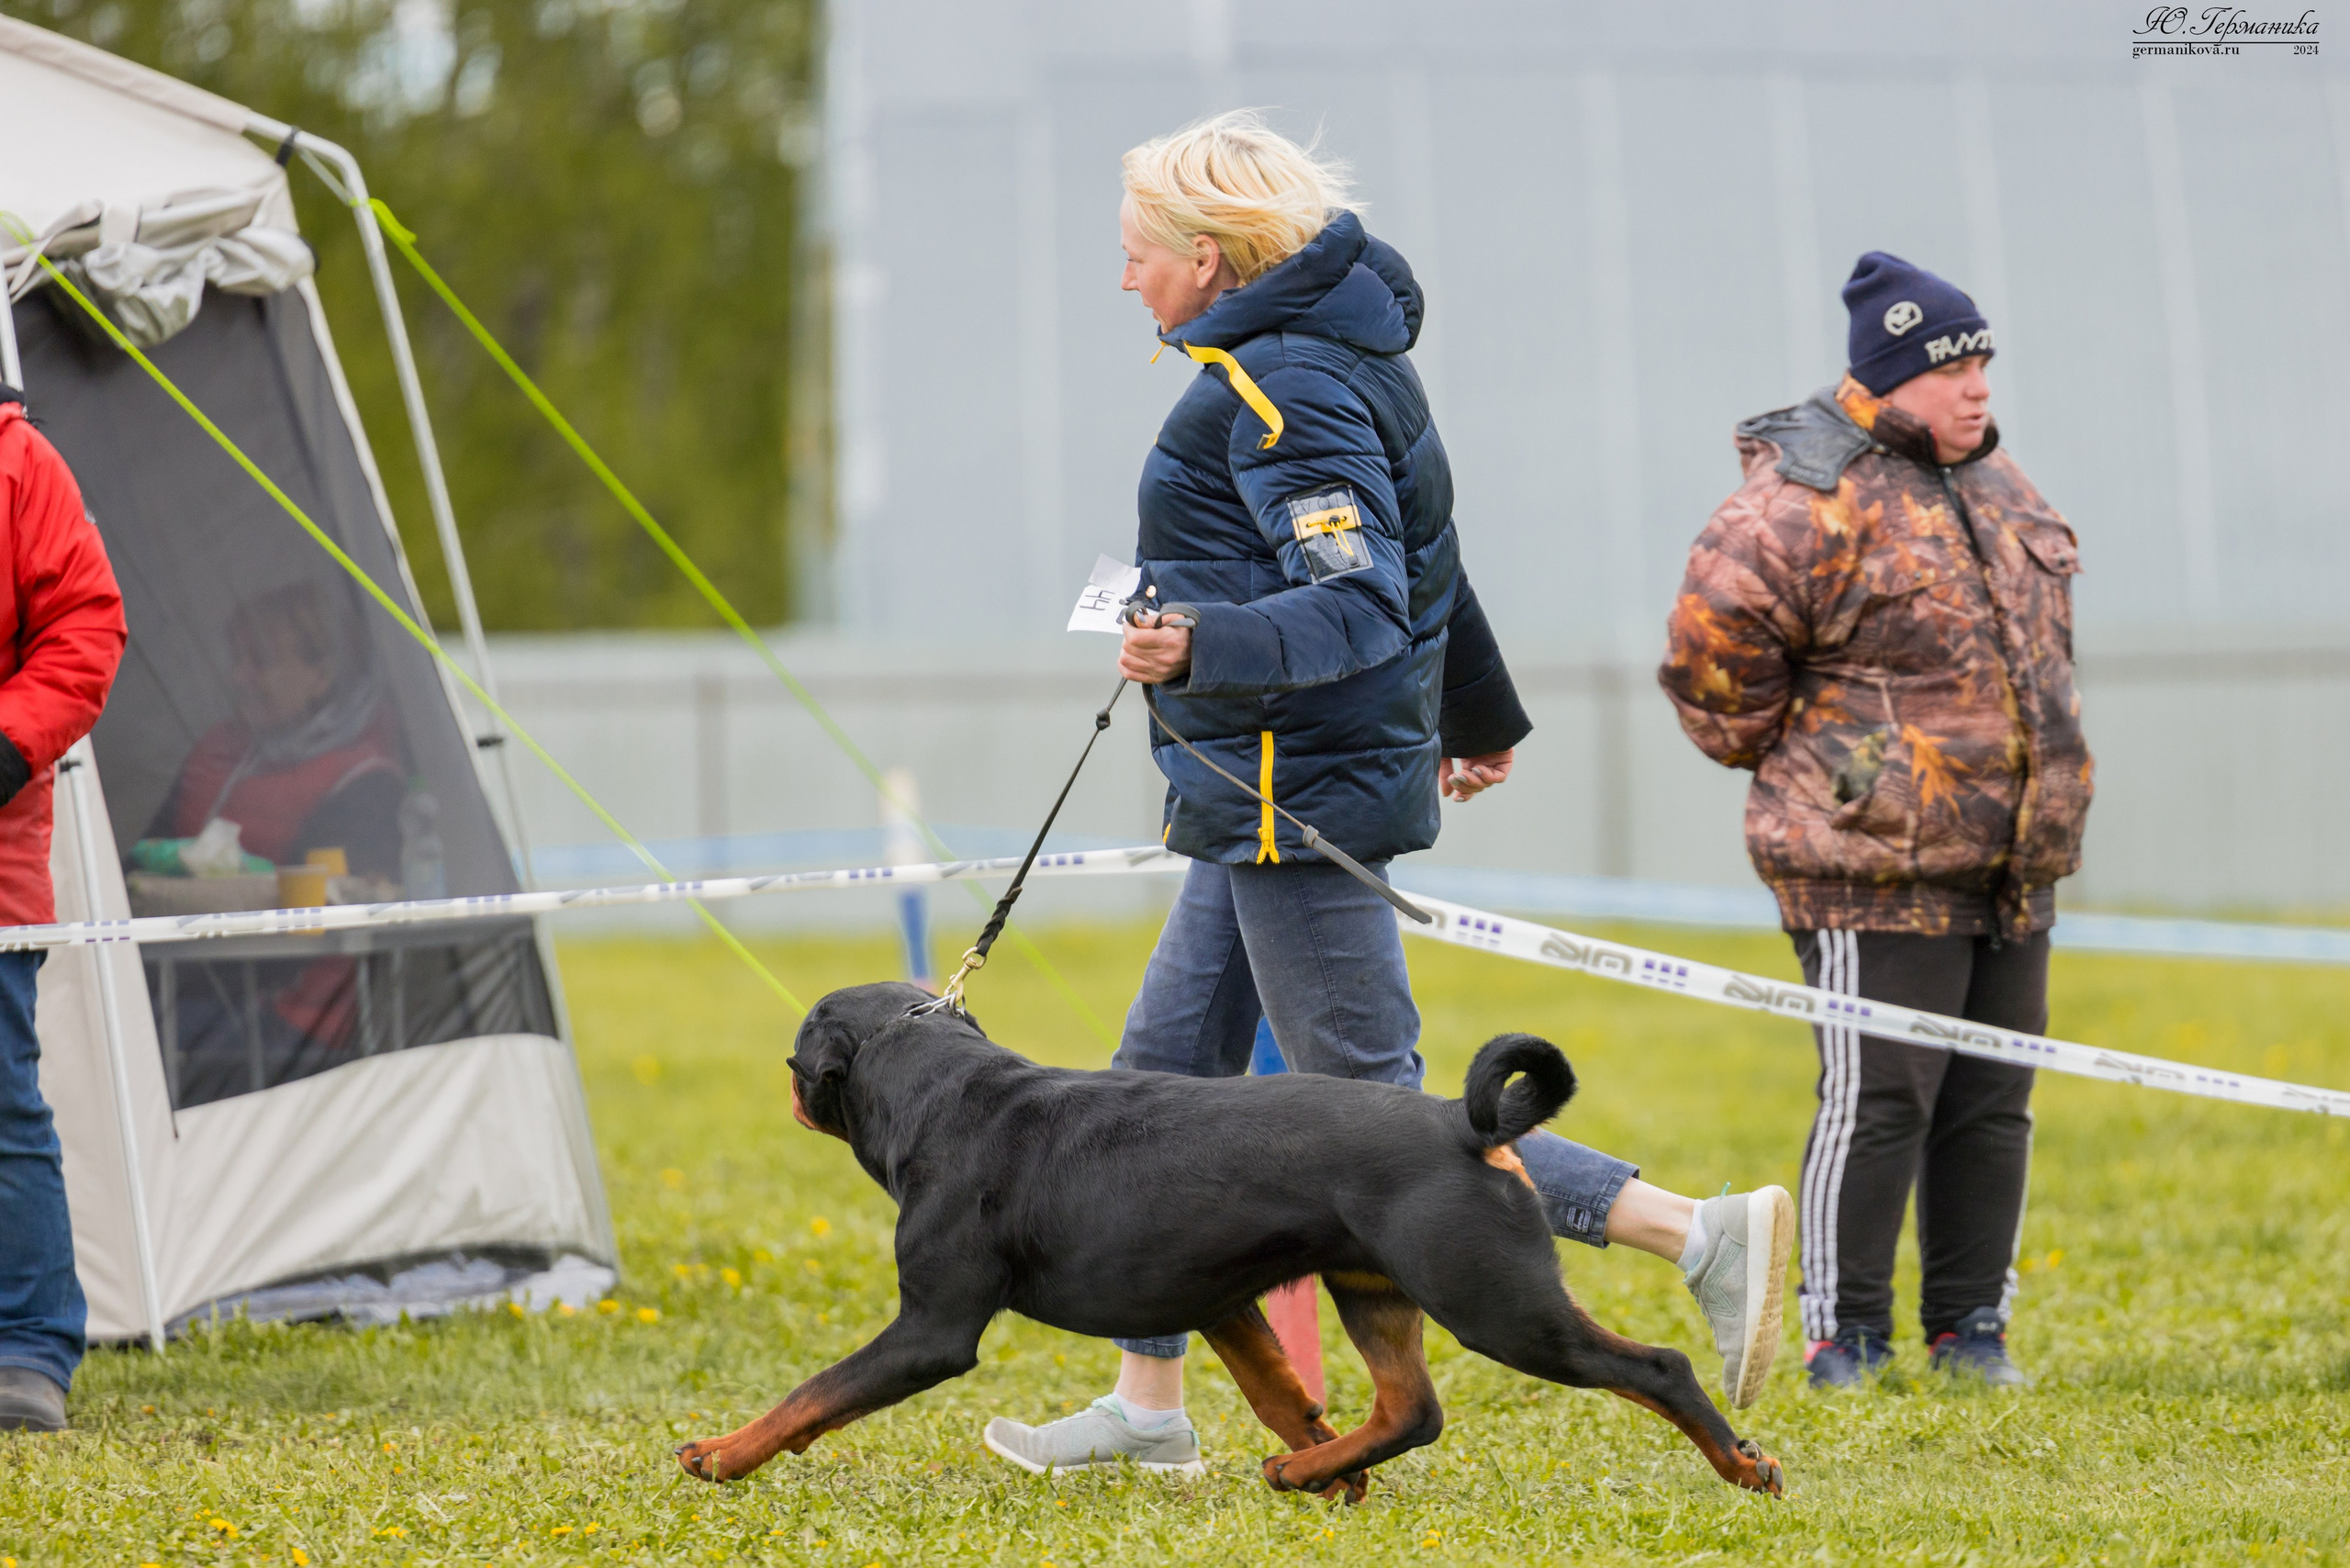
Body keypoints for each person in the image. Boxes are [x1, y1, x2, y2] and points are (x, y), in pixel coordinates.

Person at [982, 112, 1795, 1477]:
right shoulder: (1342, 357)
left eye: (1136, 256)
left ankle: (1693, 1233)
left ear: (1210, 252)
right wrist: (1472, 715)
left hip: (1286, 797)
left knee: (1386, 1124)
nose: (1124, 281)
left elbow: (1358, 595)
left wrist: (1198, 644)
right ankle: (1149, 1407)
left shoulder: (1275, 388)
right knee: (1154, 1090)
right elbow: (1433, 566)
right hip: (1253, 790)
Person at [1660, 252, 2093, 1390]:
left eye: (1983, 360)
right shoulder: (1797, 501)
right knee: (1880, 1094)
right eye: (1952, 366)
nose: (1977, 386)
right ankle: (1842, 1334)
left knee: (1992, 1099)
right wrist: (1841, 776)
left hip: (2010, 861)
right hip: (1866, 867)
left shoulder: (2002, 485)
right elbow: (1712, 675)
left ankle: (1969, 1329)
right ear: (1887, 376)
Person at [0, 384, 129, 1431]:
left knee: (2, 1109)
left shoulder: (18, 463)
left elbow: (87, 625)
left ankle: (28, 1350)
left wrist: (5, 746)